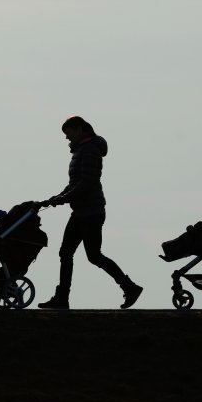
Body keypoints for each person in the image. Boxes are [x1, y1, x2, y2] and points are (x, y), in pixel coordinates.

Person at [38, 115, 143, 309]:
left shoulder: (90, 150)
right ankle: (62, 298)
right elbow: (75, 183)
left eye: (68, 133)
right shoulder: (81, 151)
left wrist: (63, 198)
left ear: (80, 129)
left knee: (93, 255)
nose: (67, 138)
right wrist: (58, 197)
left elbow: (87, 183)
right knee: (66, 252)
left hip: (91, 212)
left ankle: (129, 287)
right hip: (80, 211)